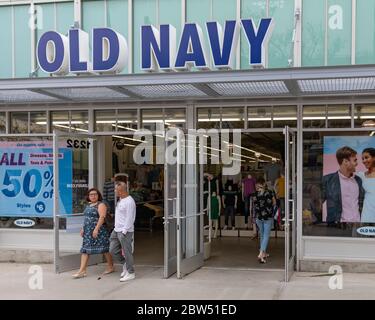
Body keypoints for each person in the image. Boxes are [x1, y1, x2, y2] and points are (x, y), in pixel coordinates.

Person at [72, 188, 114, 279]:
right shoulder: (88, 205)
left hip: (99, 231)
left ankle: (110, 267)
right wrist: (83, 229)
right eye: (91, 195)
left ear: (98, 195)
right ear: (88, 196)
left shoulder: (101, 204)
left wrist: (96, 229)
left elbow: (102, 217)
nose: (93, 196)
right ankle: (82, 270)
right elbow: (86, 218)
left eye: (95, 194)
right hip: (88, 231)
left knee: (105, 249)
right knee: (85, 250)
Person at [322, 146, 364, 225]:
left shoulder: (358, 180)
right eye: (355, 160)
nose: (357, 163)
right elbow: (317, 203)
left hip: (357, 227)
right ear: (345, 161)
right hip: (337, 228)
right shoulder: (328, 180)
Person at [109, 181, 136, 282]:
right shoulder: (120, 199)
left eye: (116, 190)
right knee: (112, 250)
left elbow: (130, 218)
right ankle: (125, 264)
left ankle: (131, 272)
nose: (115, 191)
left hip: (125, 231)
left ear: (121, 191)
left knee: (127, 252)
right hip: (116, 230)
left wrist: (124, 231)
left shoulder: (129, 201)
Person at [253, 177, 276, 264]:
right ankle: (261, 253)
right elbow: (274, 203)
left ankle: (264, 253)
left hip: (259, 217)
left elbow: (255, 205)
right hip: (267, 217)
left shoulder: (254, 194)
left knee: (262, 235)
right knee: (266, 235)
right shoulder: (270, 192)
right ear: (264, 184)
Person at [357, 148, 375, 223]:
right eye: (363, 159)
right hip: (367, 215)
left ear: (374, 158)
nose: (364, 161)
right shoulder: (361, 175)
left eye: (366, 157)